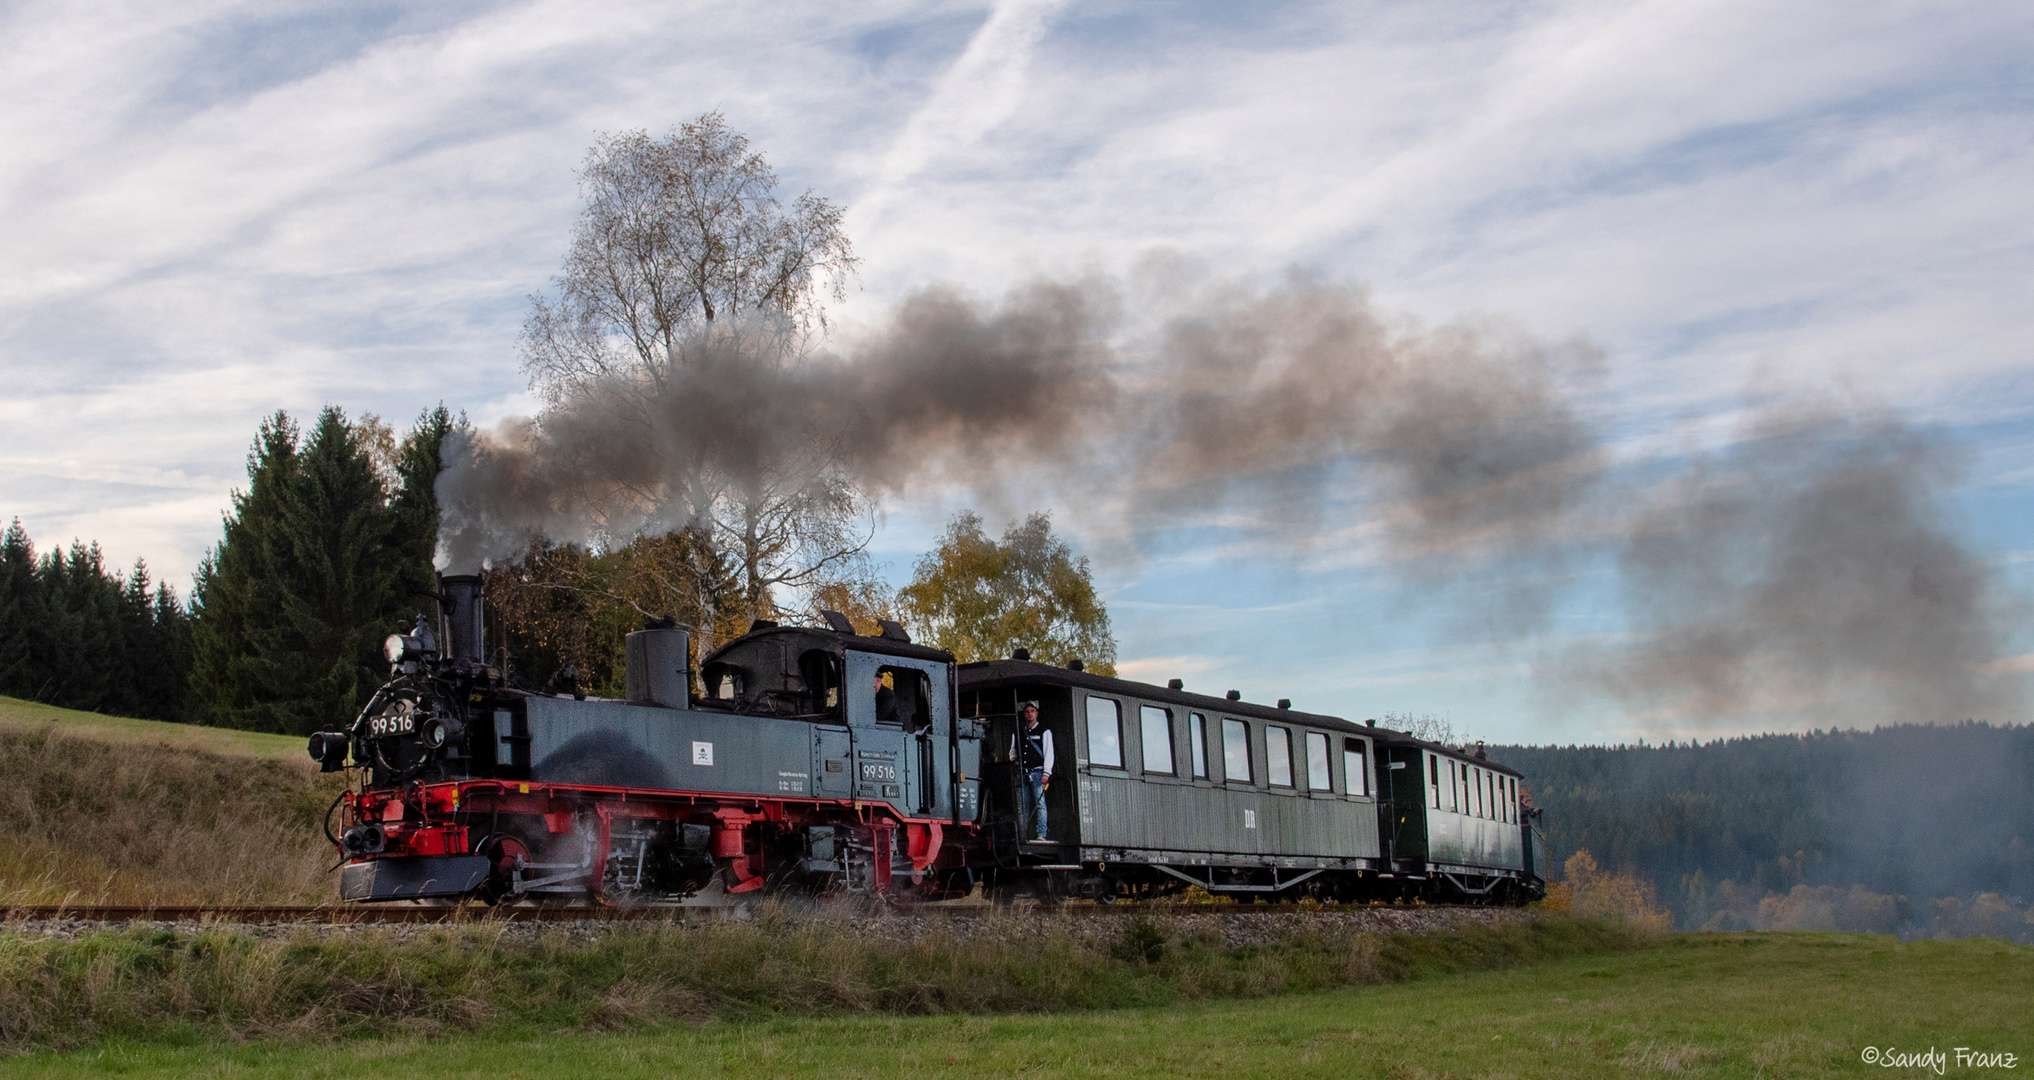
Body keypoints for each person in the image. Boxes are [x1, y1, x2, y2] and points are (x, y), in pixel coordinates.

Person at [1012, 701, 1053, 841]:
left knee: (1040, 805)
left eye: (1032, 711)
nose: (1029, 714)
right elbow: (1013, 752)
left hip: (1037, 772)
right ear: (1024, 714)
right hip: (1022, 772)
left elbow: (1049, 753)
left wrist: (1047, 772)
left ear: (1036, 713)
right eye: (1027, 711)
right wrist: (1015, 763)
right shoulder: (1018, 731)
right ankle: (1022, 835)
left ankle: (1041, 834)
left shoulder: (1044, 730)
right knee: (1022, 807)